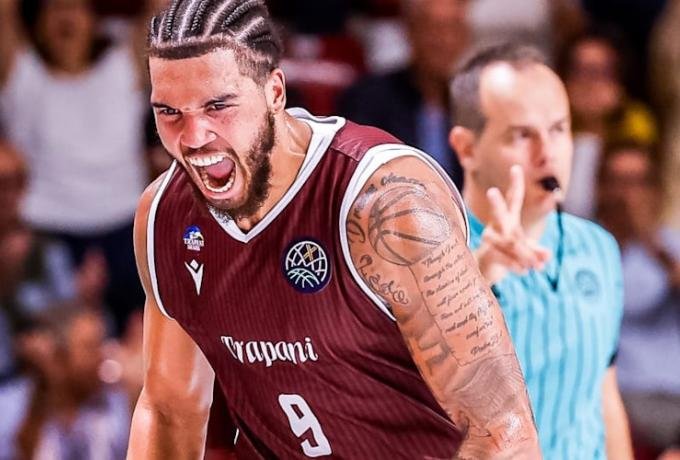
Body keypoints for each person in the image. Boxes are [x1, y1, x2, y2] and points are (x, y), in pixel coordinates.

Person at [127, 1, 540, 458]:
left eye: (218, 106)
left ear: (275, 92)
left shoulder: (387, 204)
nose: (194, 136)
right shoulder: (166, 216)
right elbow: (170, 409)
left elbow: (504, 432)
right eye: (170, 112)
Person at [448, 43, 633, 459]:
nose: (547, 153)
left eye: (558, 130)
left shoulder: (598, 248)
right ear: (466, 149)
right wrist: (479, 275)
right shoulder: (426, 255)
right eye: (521, 135)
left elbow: (603, 398)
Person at [596, 143, 680, 458]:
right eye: (617, 181)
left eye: (636, 182)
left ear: (654, 191)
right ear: (600, 187)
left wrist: (650, 241)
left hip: (671, 394)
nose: (625, 193)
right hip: (619, 396)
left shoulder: (671, 246)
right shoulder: (585, 248)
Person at [338, 0, 471, 187]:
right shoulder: (370, 98)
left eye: (453, 29)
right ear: (410, 32)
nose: (444, 40)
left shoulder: (471, 102)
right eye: (434, 29)